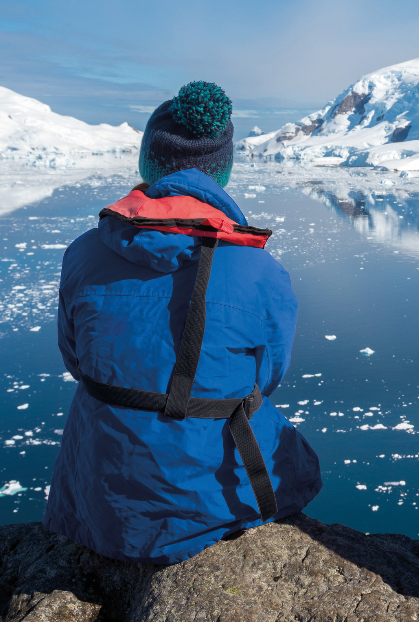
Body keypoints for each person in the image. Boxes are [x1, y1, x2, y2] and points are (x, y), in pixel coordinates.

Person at [44, 81, 322, 564]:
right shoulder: (259, 270)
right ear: (223, 170)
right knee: (291, 455)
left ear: (148, 161)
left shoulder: (85, 252)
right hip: (217, 499)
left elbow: (77, 361)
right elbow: (267, 377)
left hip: (99, 499)